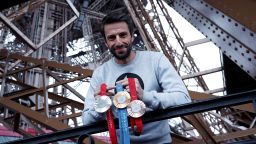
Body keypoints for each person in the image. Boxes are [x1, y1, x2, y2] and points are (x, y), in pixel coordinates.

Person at [82, 8, 191, 144]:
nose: (118, 42)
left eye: (123, 35)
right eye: (111, 38)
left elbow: (183, 99)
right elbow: (86, 120)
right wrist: (100, 106)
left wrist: (144, 96)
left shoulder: (156, 60)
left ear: (132, 36)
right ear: (105, 43)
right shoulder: (100, 73)